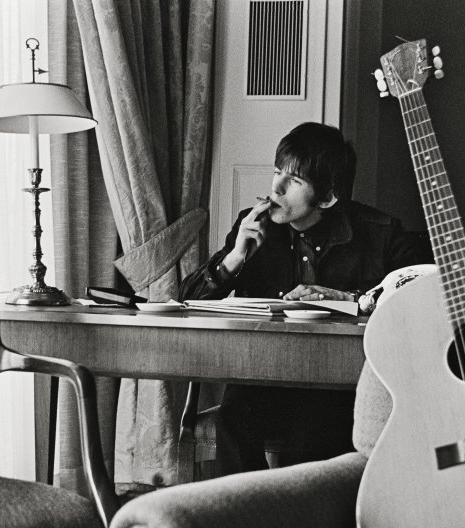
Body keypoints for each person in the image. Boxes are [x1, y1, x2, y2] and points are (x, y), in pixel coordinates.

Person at [179, 122, 419, 473]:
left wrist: (350, 298)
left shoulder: (379, 232)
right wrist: (235, 257)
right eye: (277, 172)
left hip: (336, 384)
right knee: (233, 418)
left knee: (311, 436)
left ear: (326, 197)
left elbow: (423, 291)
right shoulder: (252, 225)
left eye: (294, 181)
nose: (275, 187)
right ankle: (246, 518)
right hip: (264, 377)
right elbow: (188, 299)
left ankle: (302, 518)